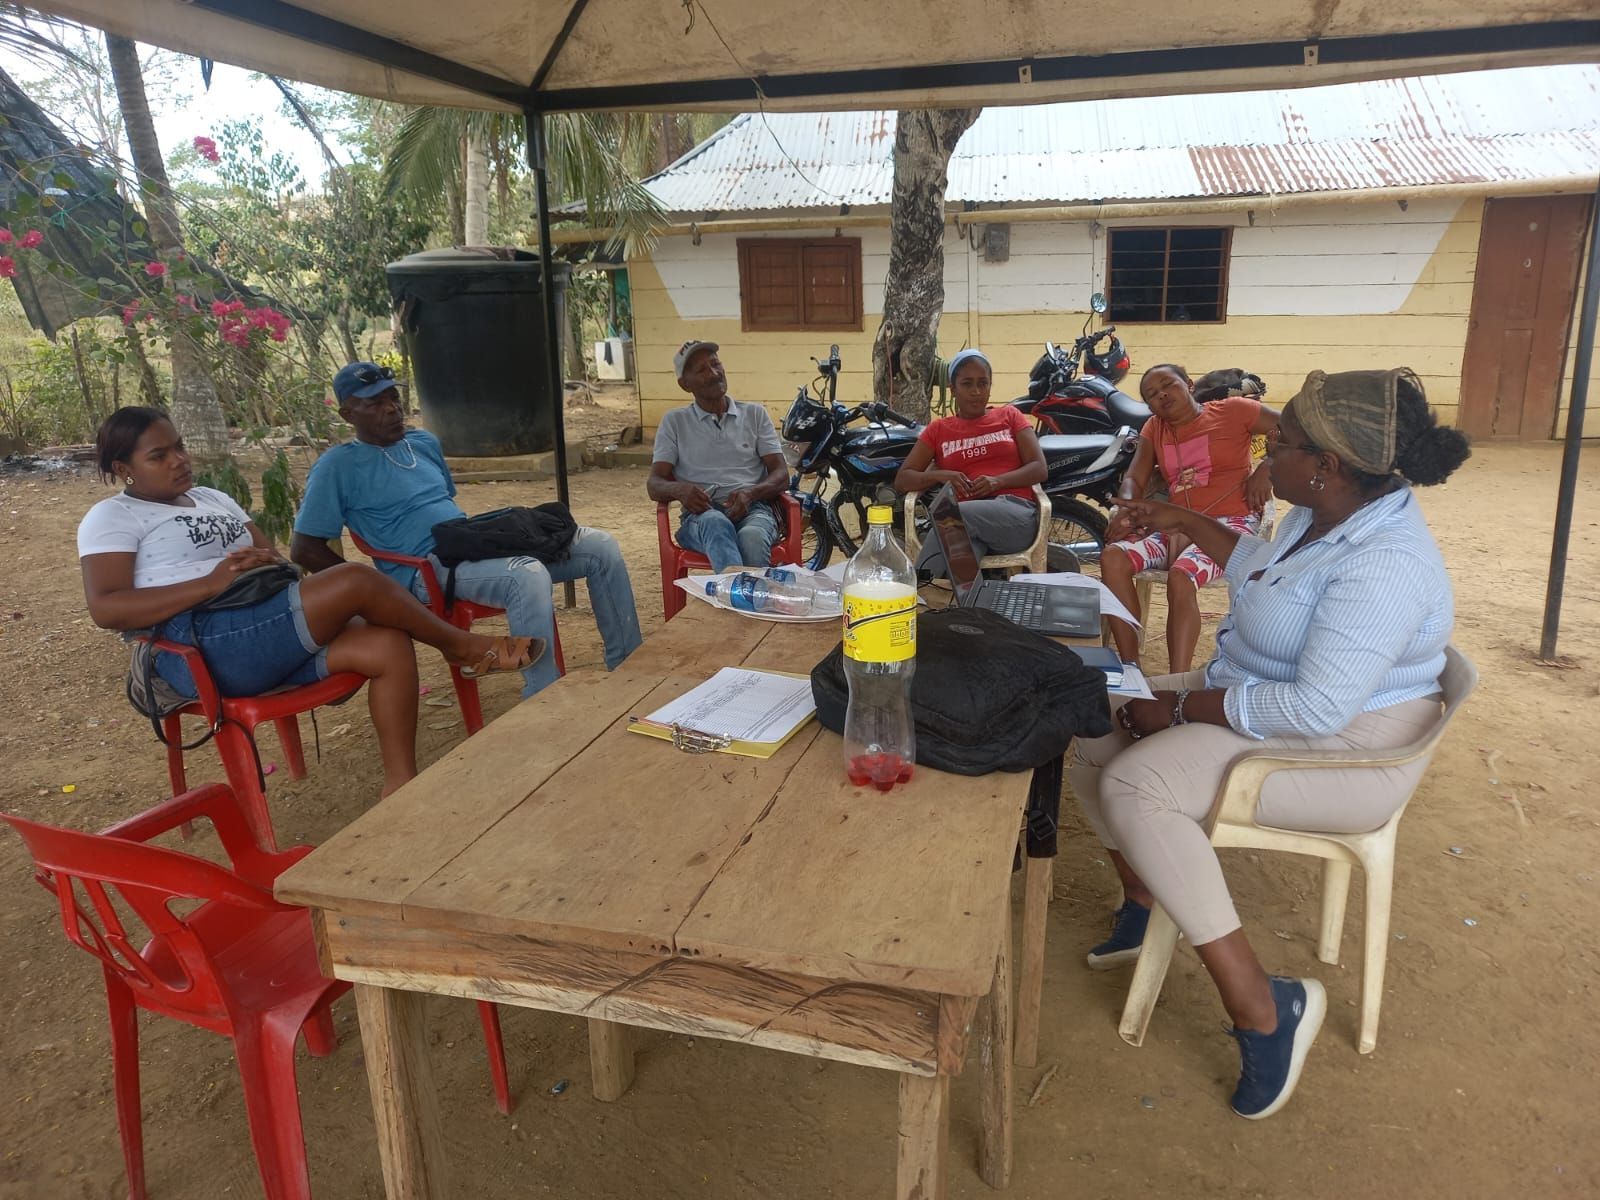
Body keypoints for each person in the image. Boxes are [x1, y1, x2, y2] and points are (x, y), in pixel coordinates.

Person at [1070, 368, 1469, 1120]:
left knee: (1137, 785)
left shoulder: (1384, 562)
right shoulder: (1318, 515)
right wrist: (1177, 518)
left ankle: (1264, 1009)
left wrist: (1180, 709)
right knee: (1092, 713)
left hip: (1349, 749)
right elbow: (1256, 567)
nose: (1265, 456)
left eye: (1278, 445)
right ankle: (1147, 897)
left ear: (1327, 465)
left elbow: (1318, 706)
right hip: (1266, 697)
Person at [78, 407, 540, 798]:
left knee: (386, 644)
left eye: (179, 447)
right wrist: (207, 585)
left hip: (262, 623)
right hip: (204, 644)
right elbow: (107, 608)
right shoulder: (113, 516)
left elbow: (277, 559)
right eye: (159, 455)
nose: (179, 460)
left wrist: (263, 560)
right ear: (123, 468)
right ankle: (461, 647)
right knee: (356, 579)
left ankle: (401, 788)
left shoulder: (212, 498)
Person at [289, 362, 641, 700]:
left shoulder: (423, 443)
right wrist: (375, 593)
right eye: (375, 403)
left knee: (600, 547)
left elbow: (443, 507)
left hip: (467, 543)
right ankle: (544, 697)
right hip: (425, 570)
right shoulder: (337, 466)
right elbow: (305, 548)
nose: (392, 409)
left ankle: (631, 670)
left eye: (393, 398)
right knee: (526, 574)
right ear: (347, 414)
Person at [1102, 363, 1281, 673]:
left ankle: (1178, 681)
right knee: (1112, 558)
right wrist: (1127, 508)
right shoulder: (1154, 428)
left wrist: (1268, 466)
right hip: (1175, 525)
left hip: (1230, 526)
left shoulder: (1235, 410)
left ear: (1189, 384)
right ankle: (1131, 667)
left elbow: (1294, 429)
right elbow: (1134, 478)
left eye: (1168, 385)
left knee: (1181, 575)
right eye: (1152, 394)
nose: (1162, 395)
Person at [893, 348, 1047, 579]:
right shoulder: (938, 430)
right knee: (959, 567)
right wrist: (941, 475)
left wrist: (997, 482)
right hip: (963, 527)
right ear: (953, 389)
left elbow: (1039, 468)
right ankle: (960, 600)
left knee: (950, 517)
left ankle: (915, 589)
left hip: (1014, 515)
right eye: (967, 384)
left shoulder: (1009, 416)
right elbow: (903, 479)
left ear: (990, 386)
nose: (976, 391)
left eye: (983, 383)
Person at [648, 340, 790, 572]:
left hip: (754, 509)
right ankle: (747, 593)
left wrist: (751, 494)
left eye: (715, 364)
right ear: (685, 384)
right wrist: (680, 490)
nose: (714, 374)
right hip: (701, 516)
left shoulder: (755, 414)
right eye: (701, 370)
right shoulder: (674, 422)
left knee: (752, 538)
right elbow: (654, 484)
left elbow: (781, 474)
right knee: (716, 523)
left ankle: (735, 594)